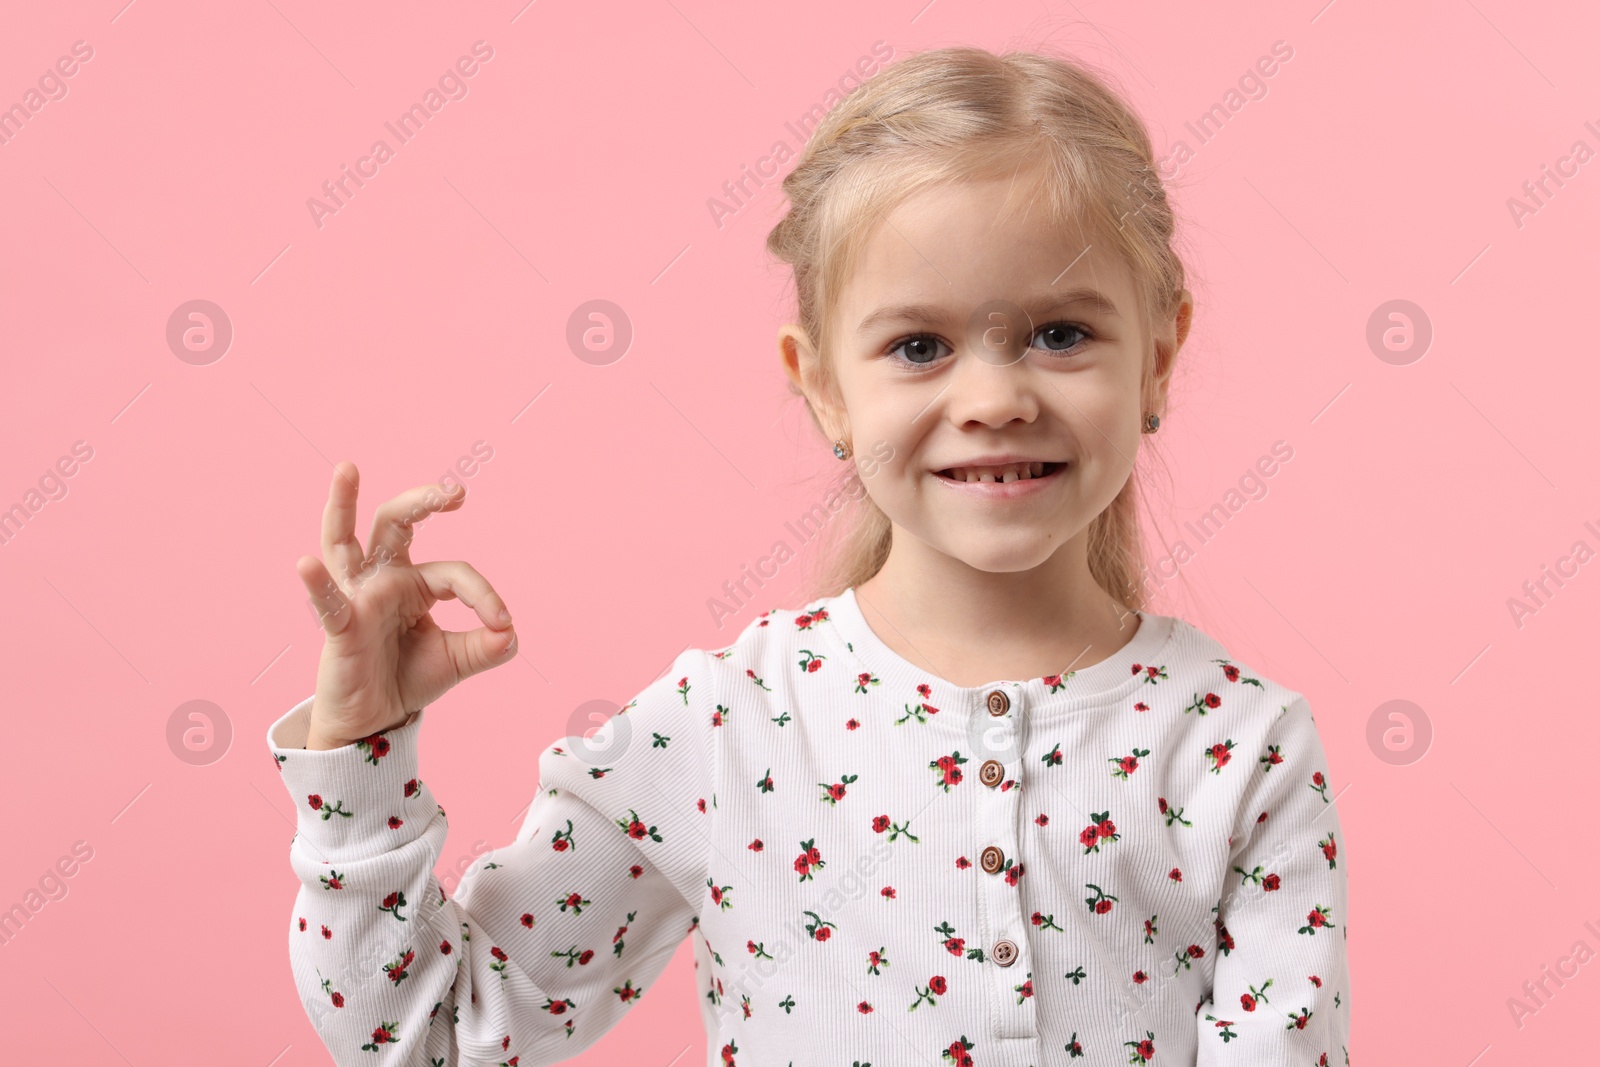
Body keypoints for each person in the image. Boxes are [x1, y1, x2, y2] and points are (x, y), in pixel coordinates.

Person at [267, 44, 1351, 1066]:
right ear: (823, 384)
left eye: (1060, 332)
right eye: (918, 347)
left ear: (1159, 358)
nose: (994, 399)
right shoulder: (724, 728)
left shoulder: (1237, 748)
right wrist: (357, 755)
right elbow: (429, 1033)